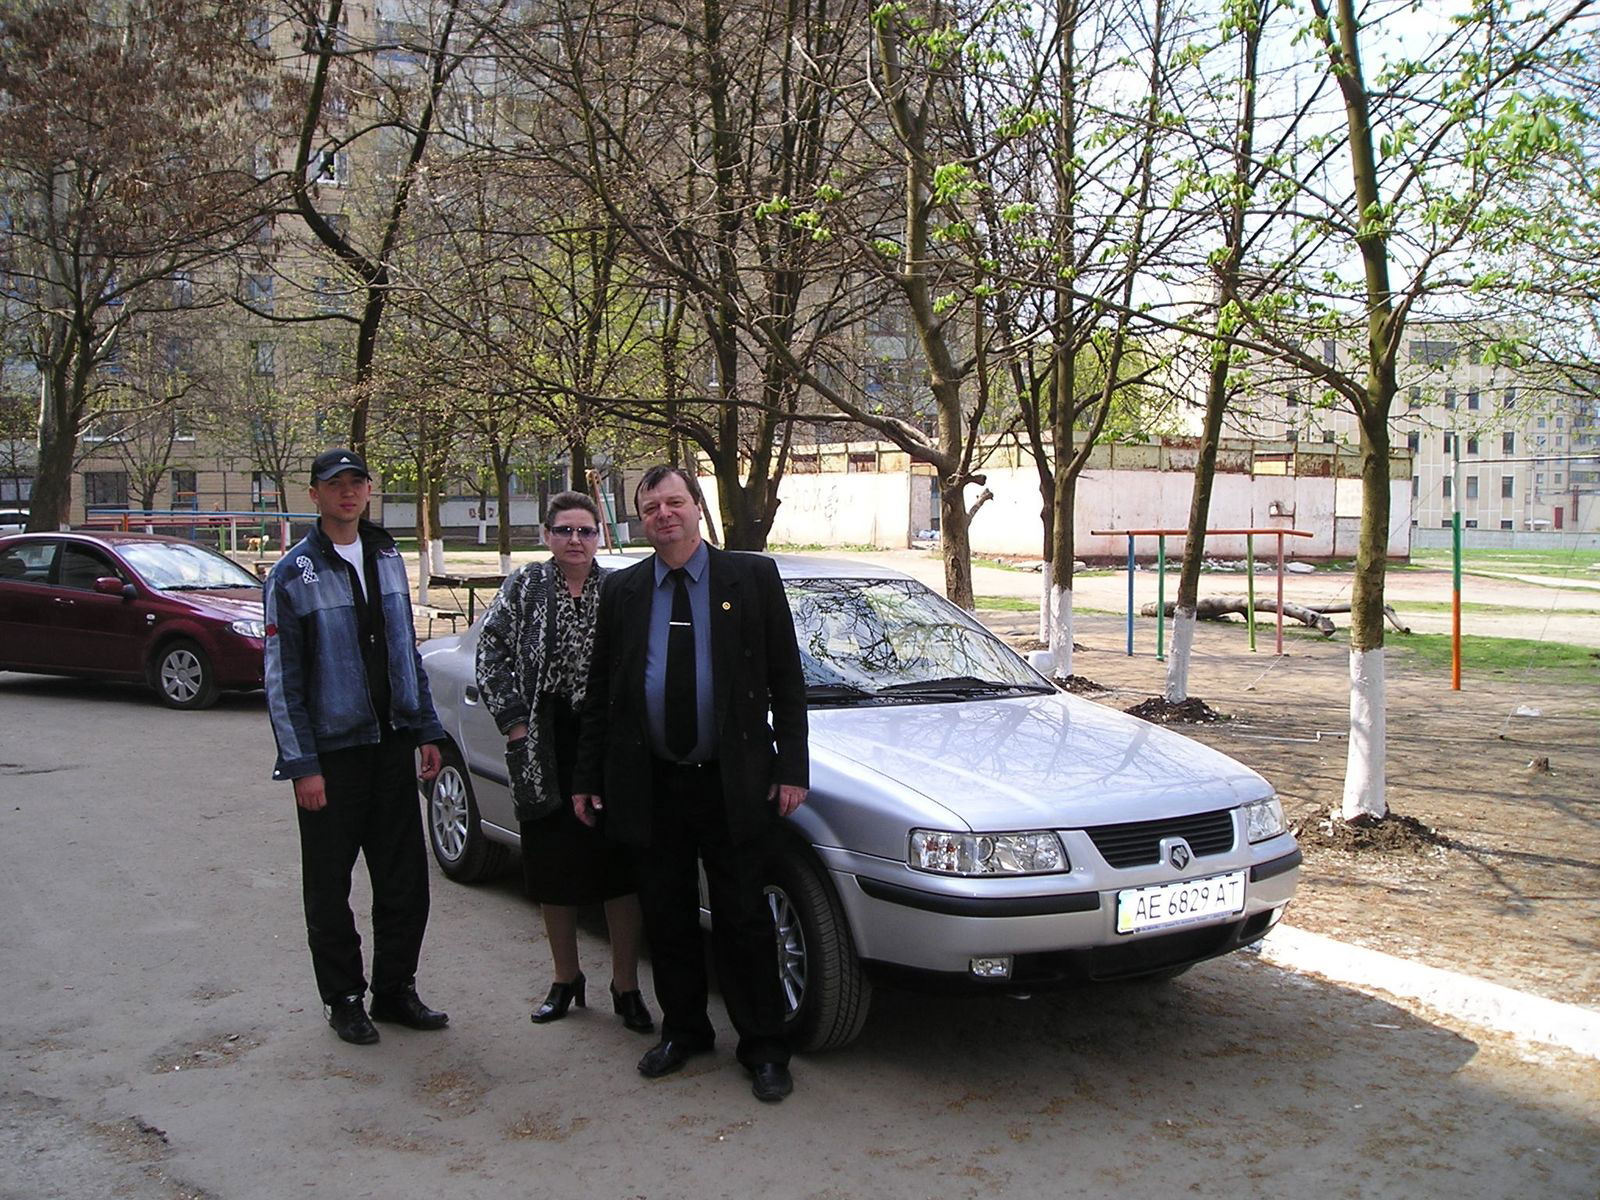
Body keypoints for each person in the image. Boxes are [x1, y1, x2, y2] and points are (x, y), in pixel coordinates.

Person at [572, 465, 808, 1103]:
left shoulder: (750, 578)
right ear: (640, 518)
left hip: (732, 784)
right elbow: (603, 694)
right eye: (651, 507)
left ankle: (763, 1047)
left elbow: (787, 678)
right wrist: (588, 776)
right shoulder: (623, 592)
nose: (664, 514)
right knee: (667, 917)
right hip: (650, 785)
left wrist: (792, 767)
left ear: (697, 508)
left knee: (742, 920)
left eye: (675, 502)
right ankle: (685, 1031)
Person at [264, 448, 451, 1046]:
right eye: (334, 484)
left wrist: (425, 729)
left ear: (369, 490)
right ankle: (343, 998)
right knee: (329, 887)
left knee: (404, 882)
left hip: (390, 747)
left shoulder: (388, 554)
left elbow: (406, 649)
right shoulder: (294, 573)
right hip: (332, 757)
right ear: (314, 494)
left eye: (356, 482)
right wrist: (302, 765)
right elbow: (282, 679)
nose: (347, 493)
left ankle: (395, 990)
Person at [473, 491, 653, 1035]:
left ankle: (625, 985)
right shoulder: (525, 586)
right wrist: (514, 721)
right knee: (553, 866)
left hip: (607, 743)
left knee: (618, 868)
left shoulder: (620, 588)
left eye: (586, 530)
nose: (575, 540)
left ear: (600, 535)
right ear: (547, 535)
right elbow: (491, 652)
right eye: (565, 530)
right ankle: (565, 977)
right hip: (543, 742)